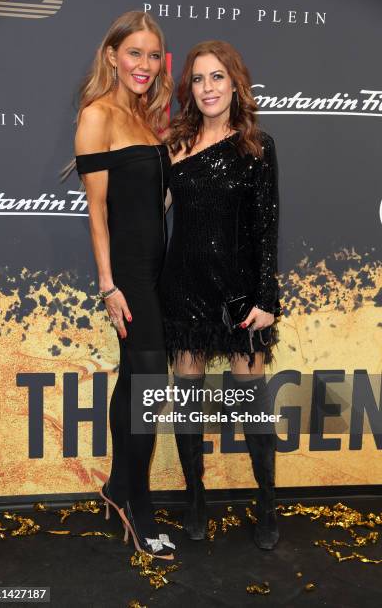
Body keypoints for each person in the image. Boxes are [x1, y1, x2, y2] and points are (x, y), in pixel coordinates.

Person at [160, 40, 281, 549]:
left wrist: (265, 297)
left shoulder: (257, 146)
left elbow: (265, 230)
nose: (207, 88)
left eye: (217, 78)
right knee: (186, 399)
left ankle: (267, 504)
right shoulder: (173, 144)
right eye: (198, 79)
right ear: (189, 88)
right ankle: (195, 499)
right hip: (183, 290)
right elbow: (151, 214)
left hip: (237, 294)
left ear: (235, 83)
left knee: (249, 402)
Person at [74, 11, 175, 559]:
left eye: (153, 55)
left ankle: (117, 487)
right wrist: (109, 286)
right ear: (112, 55)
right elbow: (96, 212)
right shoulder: (98, 115)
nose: (145, 64)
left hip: (158, 267)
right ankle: (140, 506)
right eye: (134, 53)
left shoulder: (144, 112)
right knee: (150, 381)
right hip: (130, 274)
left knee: (135, 381)